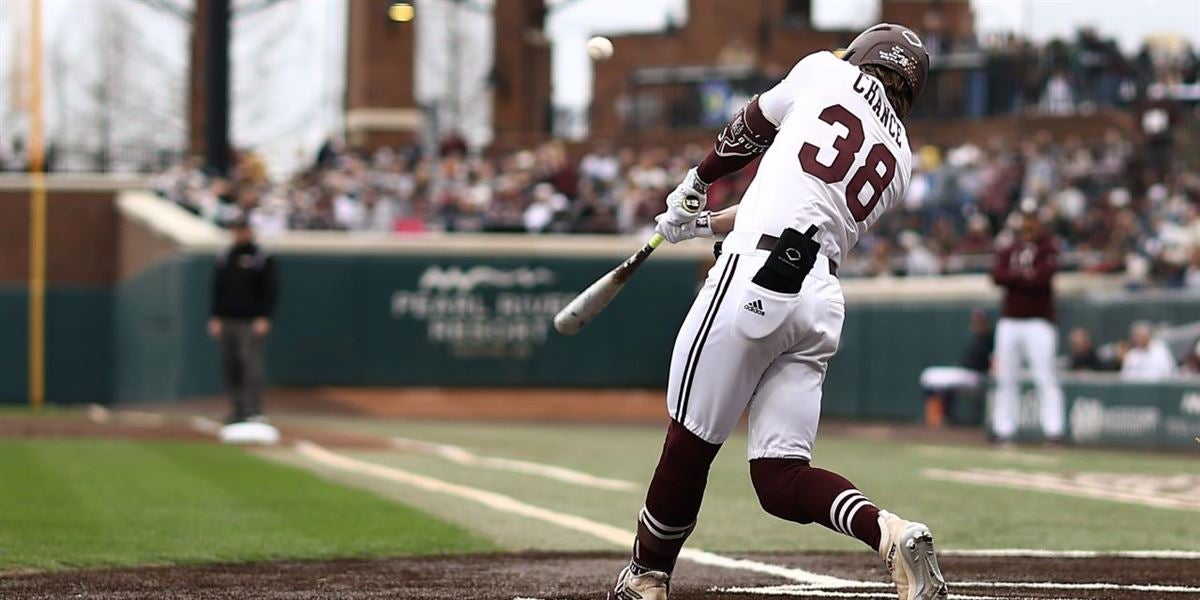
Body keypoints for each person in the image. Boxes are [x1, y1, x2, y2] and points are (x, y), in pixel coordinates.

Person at [607, 24, 946, 600]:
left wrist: (698, 180)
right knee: (780, 477)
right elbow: (801, 201)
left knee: (689, 444)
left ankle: (646, 577)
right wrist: (701, 224)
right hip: (817, 299)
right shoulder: (902, 158)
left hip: (753, 277)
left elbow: (749, 129)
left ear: (863, 54)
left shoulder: (826, 70)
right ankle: (889, 532)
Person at [990, 209, 1064, 445]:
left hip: (1038, 321)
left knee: (1045, 376)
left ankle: (1054, 430)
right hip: (1010, 321)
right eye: (1025, 220)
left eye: (1033, 220)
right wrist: (1023, 276)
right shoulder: (1010, 247)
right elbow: (996, 275)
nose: (1028, 226)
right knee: (1006, 378)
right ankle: (1004, 429)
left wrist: (1016, 277)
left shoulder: (1048, 247)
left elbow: (1042, 279)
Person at [208, 219, 278, 423]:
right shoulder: (225, 255)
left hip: (250, 320)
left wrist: (264, 316)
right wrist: (215, 316)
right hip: (227, 318)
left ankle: (254, 410)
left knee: (250, 364)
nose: (238, 235)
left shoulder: (261, 256)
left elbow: (270, 289)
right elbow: (217, 288)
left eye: (241, 230)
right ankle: (237, 409)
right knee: (231, 364)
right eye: (235, 231)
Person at [918, 308, 994, 425]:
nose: (976, 324)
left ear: (986, 323)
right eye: (975, 321)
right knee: (929, 375)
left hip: (976, 376)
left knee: (936, 377)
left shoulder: (990, 339)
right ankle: (936, 416)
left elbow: (993, 362)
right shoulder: (976, 338)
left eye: (980, 321)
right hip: (964, 374)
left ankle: (940, 416)